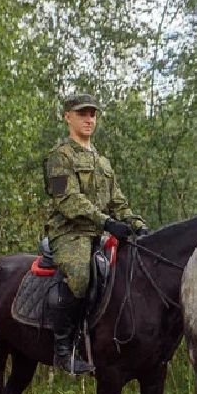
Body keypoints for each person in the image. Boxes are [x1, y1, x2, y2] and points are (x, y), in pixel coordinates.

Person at [43, 93, 149, 375]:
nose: (89, 119)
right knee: (80, 275)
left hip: (100, 232)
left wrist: (136, 223)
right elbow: (66, 199)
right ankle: (63, 350)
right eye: (82, 114)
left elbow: (118, 201)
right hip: (70, 232)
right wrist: (107, 222)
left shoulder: (102, 162)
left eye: (92, 114)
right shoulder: (59, 156)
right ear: (67, 117)